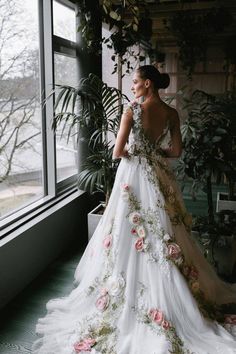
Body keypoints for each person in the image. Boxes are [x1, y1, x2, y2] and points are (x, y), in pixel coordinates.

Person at [32, 65, 236, 354]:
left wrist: (134, 152)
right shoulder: (171, 113)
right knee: (164, 231)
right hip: (157, 174)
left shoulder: (133, 110)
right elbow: (176, 152)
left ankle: (126, 291)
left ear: (148, 84)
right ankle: (173, 293)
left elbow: (117, 151)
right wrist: (154, 153)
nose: (132, 86)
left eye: (136, 81)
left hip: (133, 176)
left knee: (126, 229)